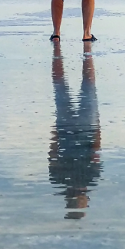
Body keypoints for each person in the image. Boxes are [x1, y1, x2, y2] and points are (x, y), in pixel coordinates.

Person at [49, 41, 101, 218]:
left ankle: (66, 50)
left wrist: (97, 127)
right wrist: (56, 131)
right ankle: (84, 52)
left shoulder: (91, 179)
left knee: (88, 85)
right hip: (66, 128)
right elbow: (53, 152)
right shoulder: (58, 179)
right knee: (60, 86)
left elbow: (95, 150)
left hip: (85, 128)